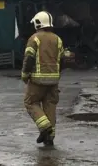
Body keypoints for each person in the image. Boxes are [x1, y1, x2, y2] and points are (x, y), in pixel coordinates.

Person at [21, 11, 65, 146]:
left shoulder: (34, 38)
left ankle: (44, 127)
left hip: (37, 80)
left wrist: (25, 74)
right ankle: (50, 137)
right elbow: (62, 60)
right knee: (50, 105)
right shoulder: (58, 39)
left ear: (37, 23)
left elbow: (29, 58)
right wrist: (56, 74)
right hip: (54, 81)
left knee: (30, 102)